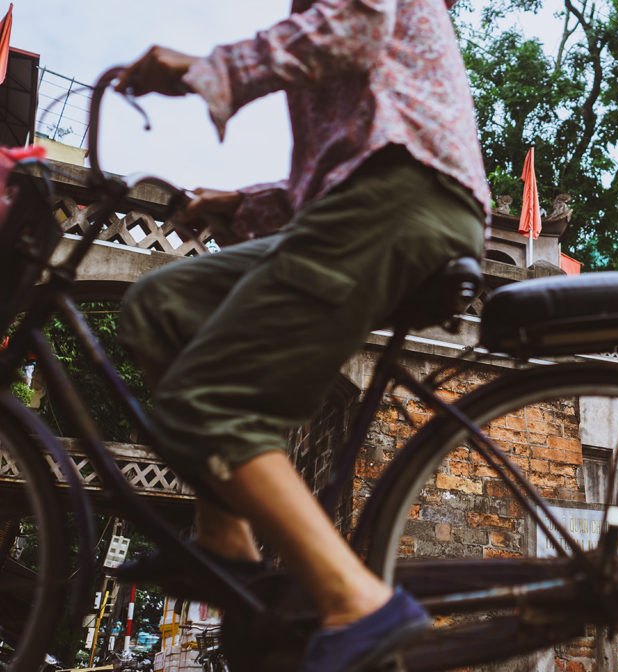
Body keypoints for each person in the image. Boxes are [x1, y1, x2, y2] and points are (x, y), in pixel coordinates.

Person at [111, 1, 490, 670]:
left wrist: (206, 68)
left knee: (208, 397)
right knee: (161, 306)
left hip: (406, 197)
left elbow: (355, 28)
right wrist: (246, 204)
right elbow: (346, 160)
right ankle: (224, 540)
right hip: (374, 196)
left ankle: (357, 600)